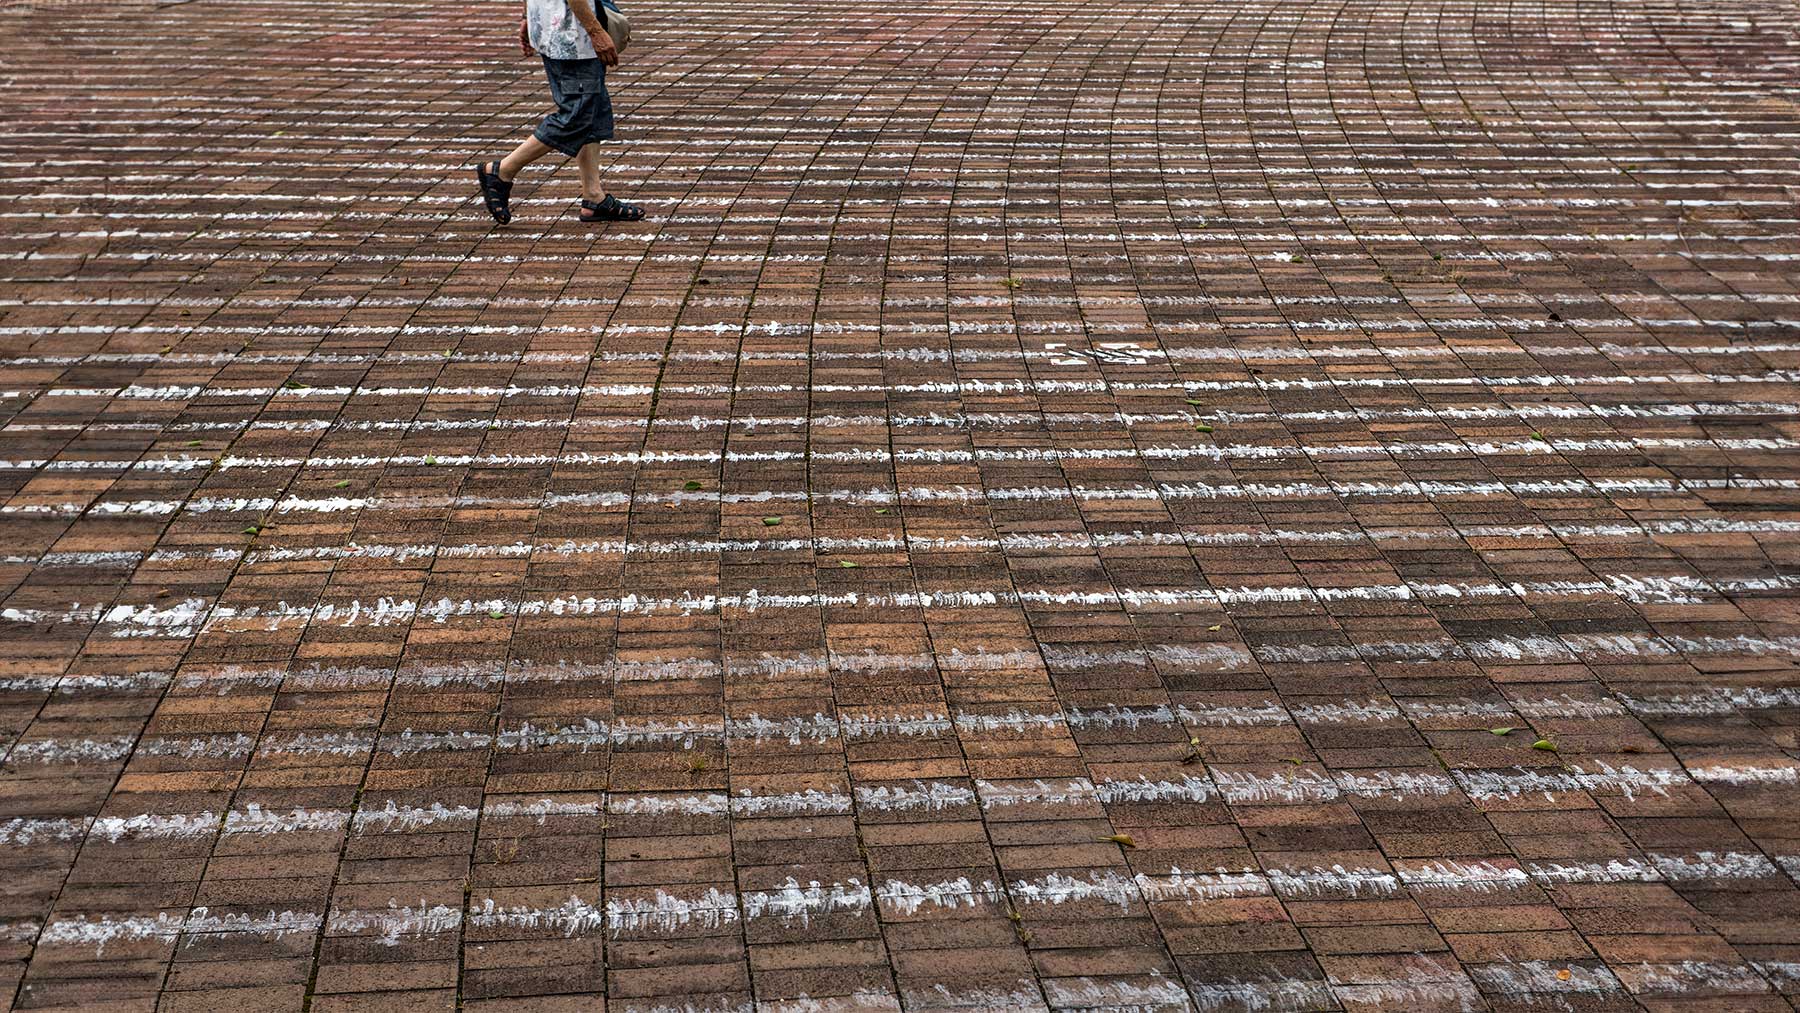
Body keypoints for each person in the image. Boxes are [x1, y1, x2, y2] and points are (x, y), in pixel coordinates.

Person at [475, 0, 646, 225]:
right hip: (573, 33)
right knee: (576, 115)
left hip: (553, 25)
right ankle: (502, 170)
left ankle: (594, 197)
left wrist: (527, 15)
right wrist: (596, 31)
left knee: (591, 110)